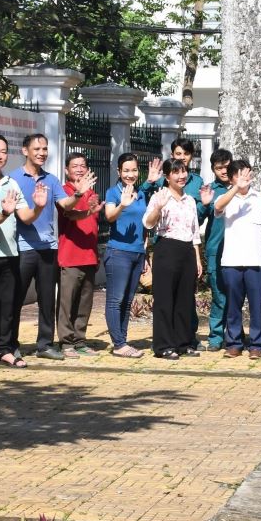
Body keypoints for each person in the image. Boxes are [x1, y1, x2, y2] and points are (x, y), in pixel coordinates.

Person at [11, 133, 93, 361]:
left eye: (45, 149)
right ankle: (10, 344)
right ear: (25, 151)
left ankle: (45, 344)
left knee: (47, 299)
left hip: (48, 247)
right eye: (37, 149)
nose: (41, 153)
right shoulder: (14, 179)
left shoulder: (51, 179)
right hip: (23, 247)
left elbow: (64, 203)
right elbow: (23, 217)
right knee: (16, 299)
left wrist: (77, 193)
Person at [0, 134, 46, 369]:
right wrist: (5, 213)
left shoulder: (10, 182)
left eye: (3, 151)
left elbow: (26, 217)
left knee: (6, 305)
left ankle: (5, 350)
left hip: (9, 252)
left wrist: (38, 207)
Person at [140, 138, 207, 348]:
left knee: (184, 299)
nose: (181, 176)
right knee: (165, 299)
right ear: (167, 177)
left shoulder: (189, 200)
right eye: (176, 173)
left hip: (187, 250)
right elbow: (148, 223)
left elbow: (194, 231)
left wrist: (197, 258)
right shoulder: (160, 197)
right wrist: (158, 208)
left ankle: (183, 341)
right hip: (166, 249)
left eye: (183, 172)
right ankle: (163, 345)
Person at [213, 158, 261, 359]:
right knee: (233, 305)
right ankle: (234, 342)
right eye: (238, 175)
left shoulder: (259, 198)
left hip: (257, 261)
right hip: (232, 261)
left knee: (257, 305)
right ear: (231, 178)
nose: (243, 179)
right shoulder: (226, 197)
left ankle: (256, 344)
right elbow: (218, 207)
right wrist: (235, 188)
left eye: (246, 174)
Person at [56, 152, 104, 358]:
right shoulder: (64, 191)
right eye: (74, 166)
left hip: (89, 255)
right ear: (67, 170)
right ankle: (66, 342)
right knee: (67, 303)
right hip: (69, 256)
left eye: (82, 165)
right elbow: (69, 213)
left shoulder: (90, 192)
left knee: (85, 302)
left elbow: (94, 226)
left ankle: (80, 339)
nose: (79, 169)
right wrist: (82, 202)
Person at [103, 153, 148, 359]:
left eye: (134, 170)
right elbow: (109, 216)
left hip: (137, 253)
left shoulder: (141, 193)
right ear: (119, 172)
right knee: (115, 300)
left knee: (128, 301)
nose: (130, 174)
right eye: (126, 170)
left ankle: (122, 340)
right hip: (118, 251)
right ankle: (118, 343)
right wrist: (122, 205)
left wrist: (145, 252)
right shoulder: (113, 192)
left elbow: (145, 225)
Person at [197, 149, 233, 352]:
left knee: (236, 294)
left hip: (238, 252)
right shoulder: (209, 189)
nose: (223, 171)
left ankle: (234, 334)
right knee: (219, 295)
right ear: (213, 169)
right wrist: (204, 205)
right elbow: (197, 219)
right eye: (219, 168)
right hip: (216, 250)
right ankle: (216, 336)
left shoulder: (241, 188)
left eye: (226, 166)